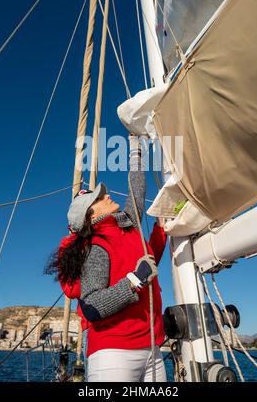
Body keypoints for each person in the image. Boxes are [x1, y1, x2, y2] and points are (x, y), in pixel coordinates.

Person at [47, 136, 167, 382]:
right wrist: (135, 280)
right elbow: (91, 305)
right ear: (91, 214)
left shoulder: (127, 224)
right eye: (100, 198)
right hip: (114, 353)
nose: (107, 195)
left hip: (152, 348)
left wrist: (135, 152)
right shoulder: (96, 247)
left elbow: (137, 191)